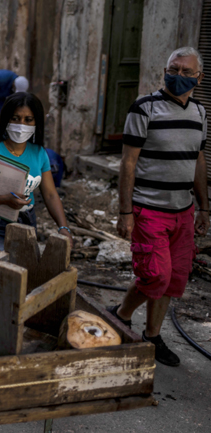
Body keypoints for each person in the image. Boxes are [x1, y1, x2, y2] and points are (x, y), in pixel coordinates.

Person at [108, 47, 208, 367]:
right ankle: (122, 314)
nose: (178, 76)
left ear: (199, 78)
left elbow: (198, 160)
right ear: (165, 72)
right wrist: (125, 213)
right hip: (149, 209)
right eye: (173, 69)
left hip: (184, 211)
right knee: (156, 276)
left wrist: (204, 207)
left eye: (186, 71)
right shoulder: (144, 108)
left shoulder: (199, 113)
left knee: (175, 278)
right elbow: (128, 163)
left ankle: (152, 335)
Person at [0, 92, 72, 250]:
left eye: (28, 120)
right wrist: (4, 199)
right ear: (6, 119)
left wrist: (63, 227)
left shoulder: (39, 153)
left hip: (28, 223)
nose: (21, 125)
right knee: (1, 263)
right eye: (15, 118)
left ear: (36, 122)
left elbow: (50, 194)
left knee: (27, 264)